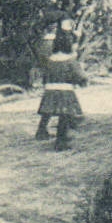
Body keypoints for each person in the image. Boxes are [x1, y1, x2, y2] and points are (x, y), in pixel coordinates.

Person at [34, 20, 87, 151]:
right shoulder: (70, 60)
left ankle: (42, 131)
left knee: (48, 112)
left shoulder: (50, 60)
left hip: (50, 90)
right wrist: (82, 81)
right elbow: (80, 76)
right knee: (64, 116)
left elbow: (45, 74)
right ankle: (61, 141)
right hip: (65, 91)